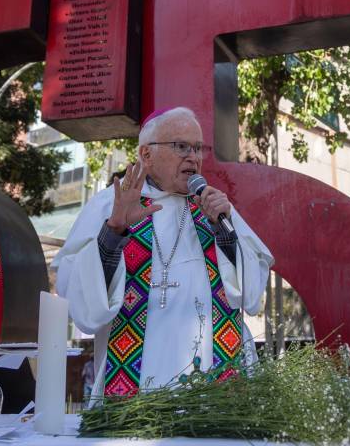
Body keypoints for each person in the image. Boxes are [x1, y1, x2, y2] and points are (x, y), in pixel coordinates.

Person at [55, 107, 272, 399]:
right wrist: (114, 231)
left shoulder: (214, 207)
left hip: (218, 388)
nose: (193, 157)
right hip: (137, 383)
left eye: (197, 148)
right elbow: (78, 296)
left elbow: (251, 292)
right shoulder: (112, 206)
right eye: (181, 146)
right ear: (146, 155)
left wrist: (223, 229)